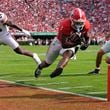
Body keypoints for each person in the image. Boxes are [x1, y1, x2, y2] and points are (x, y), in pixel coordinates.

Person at [34, 8, 91, 78]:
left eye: (81, 23)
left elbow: (87, 37)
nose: (79, 25)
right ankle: (40, 67)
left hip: (70, 43)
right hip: (59, 42)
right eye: (77, 23)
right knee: (47, 63)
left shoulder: (86, 25)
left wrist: (87, 44)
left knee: (68, 54)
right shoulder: (65, 25)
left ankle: (59, 68)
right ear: (72, 20)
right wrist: (77, 43)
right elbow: (64, 44)